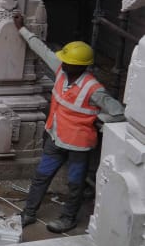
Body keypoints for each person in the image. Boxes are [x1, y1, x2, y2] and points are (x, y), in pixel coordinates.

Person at [13, 13, 125, 232]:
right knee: (41, 177)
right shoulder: (62, 71)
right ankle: (28, 213)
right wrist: (22, 30)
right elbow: (43, 51)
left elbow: (119, 113)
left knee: (75, 185)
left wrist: (98, 120)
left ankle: (68, 218)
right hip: (55, 138)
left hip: (78, 146)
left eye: (69, 62)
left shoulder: (93, 89)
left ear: (80, 66)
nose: (63, 63)